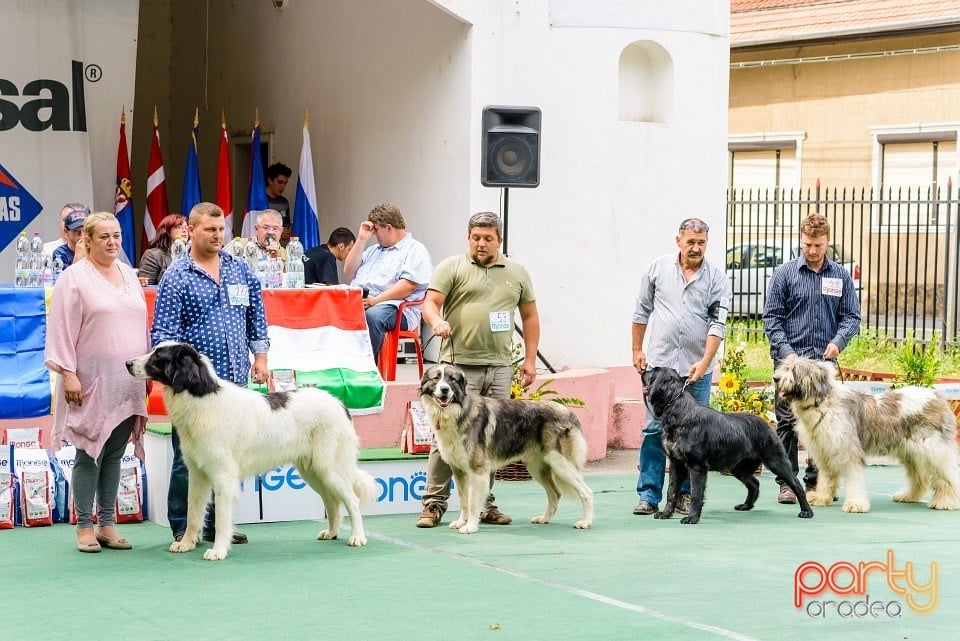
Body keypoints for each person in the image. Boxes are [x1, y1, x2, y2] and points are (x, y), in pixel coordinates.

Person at [151, 202, 270, 544]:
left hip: (234, 383)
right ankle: (183, 527)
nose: (218, 236)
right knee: (186, 459)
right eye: (210, 230)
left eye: (222, 230)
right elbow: (163, 335)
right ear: (191, 231)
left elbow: (256, 317)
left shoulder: (240, 270)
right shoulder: (176, 276)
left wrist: (260, 357)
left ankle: (221, 525)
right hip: (193, 389)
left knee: (227, 456)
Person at [415, 212, 538, 528]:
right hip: (457, 369)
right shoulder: (451, 267)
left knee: (490, 438)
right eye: (475, 237)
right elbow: (430, 303)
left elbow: (530, 317)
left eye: (488, 238)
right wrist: (435, 320)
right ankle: (433, 504)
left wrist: (529, 360)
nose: (481, 243)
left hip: (499, 366)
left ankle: (483, 506)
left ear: (499, 240)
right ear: (468, 237)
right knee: (444, 438)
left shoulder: (517, 272)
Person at [44, 212, 149, 553]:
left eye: (116, 236)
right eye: (104, 236)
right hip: (89, 380)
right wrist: (69, 373)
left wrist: (147, 371)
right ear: (87, 240)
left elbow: (141, 326)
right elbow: (60, 330)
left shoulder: (130, 275)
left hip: (128, 380)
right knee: (89, 452)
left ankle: (107, 523)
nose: (112, 242)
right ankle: (84, 527)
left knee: (115, 453)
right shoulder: (72, 279)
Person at [632, 217, 731, 516]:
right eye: (691, 242)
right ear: (678, 241)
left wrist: (704, 361)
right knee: (653, 429)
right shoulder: (657, 269)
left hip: (694, 371)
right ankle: (649, 495)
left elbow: (718, 323)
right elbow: (641, 310)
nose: (696, 248)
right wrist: (637, 349)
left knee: (695, 435)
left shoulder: (717, 278)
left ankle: (685, 496)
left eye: (701, 243)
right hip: (660, 368)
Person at [763, 212, 860, 504]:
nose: (812, 250)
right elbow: (771, 319)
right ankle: (788, 483)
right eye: (807, 244)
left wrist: (838, 342)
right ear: (801, 240)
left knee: (824, 424)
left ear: (827, 241)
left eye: (818, 245)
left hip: (822, 367)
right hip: (790, 363)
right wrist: (787, 353)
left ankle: (817, 482)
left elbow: (852, 317)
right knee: (787, 422)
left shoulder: (841, 276)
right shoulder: (784, 274)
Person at [343, 202, 432, 360]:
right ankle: (340, 366)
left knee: (373, 316)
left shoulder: (415, 250)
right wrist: (361, 239)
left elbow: (408, 286)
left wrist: (375, 300)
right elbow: (348, 270)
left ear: (389, 228)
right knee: (329, 310)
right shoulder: (373, 250)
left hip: (394, 306)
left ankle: (366, 370)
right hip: (360, 301)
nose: (374, 234)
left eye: (376, 230)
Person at [138, 213, 188, 285]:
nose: (184, 231)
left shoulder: (191, 255)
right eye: (179, 227)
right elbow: (147, 288)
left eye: (186, 227)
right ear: (166, 231)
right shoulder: (153, 255)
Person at [265, 163, 292, 245]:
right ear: (270, 180)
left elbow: (286, 225)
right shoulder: (259, 201)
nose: (283, 186)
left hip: (278, 246)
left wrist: (286, 232)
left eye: (285, 183)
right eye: (280, 182)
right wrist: (279, 231)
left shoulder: (284, 202)